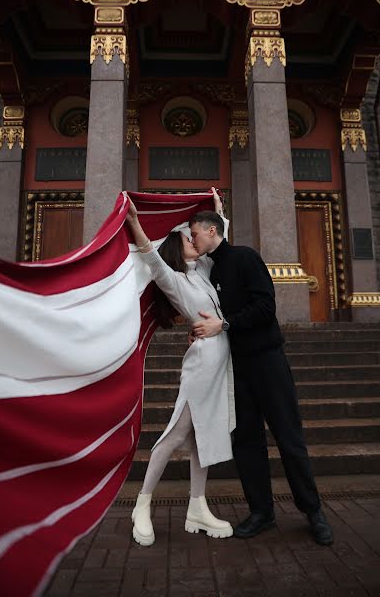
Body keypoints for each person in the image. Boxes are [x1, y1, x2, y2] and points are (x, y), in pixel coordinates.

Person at [188, 208, 334, 546]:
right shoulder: (208, 271)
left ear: (212, 231)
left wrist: (223, 324)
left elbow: (266, 306)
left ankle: (314, 512)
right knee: (247, 442)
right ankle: (261, 512)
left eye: (195, 233)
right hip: (235, 367)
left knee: (289, 438)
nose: (192, 240)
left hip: (268, 362)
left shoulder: (245, 258)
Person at [126, 191, 235, 547]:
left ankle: (197, 506)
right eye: (189, 238)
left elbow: (220, 241)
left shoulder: (201, 270)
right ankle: (141, 503)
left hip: (221, 361)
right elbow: (151, 258)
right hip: (202, 364)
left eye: (195, 235)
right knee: (176, 434)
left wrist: (219, 214)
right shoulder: (172, 278)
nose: (194, 240)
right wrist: (134, 222)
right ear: (177, 246)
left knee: (203, 437)